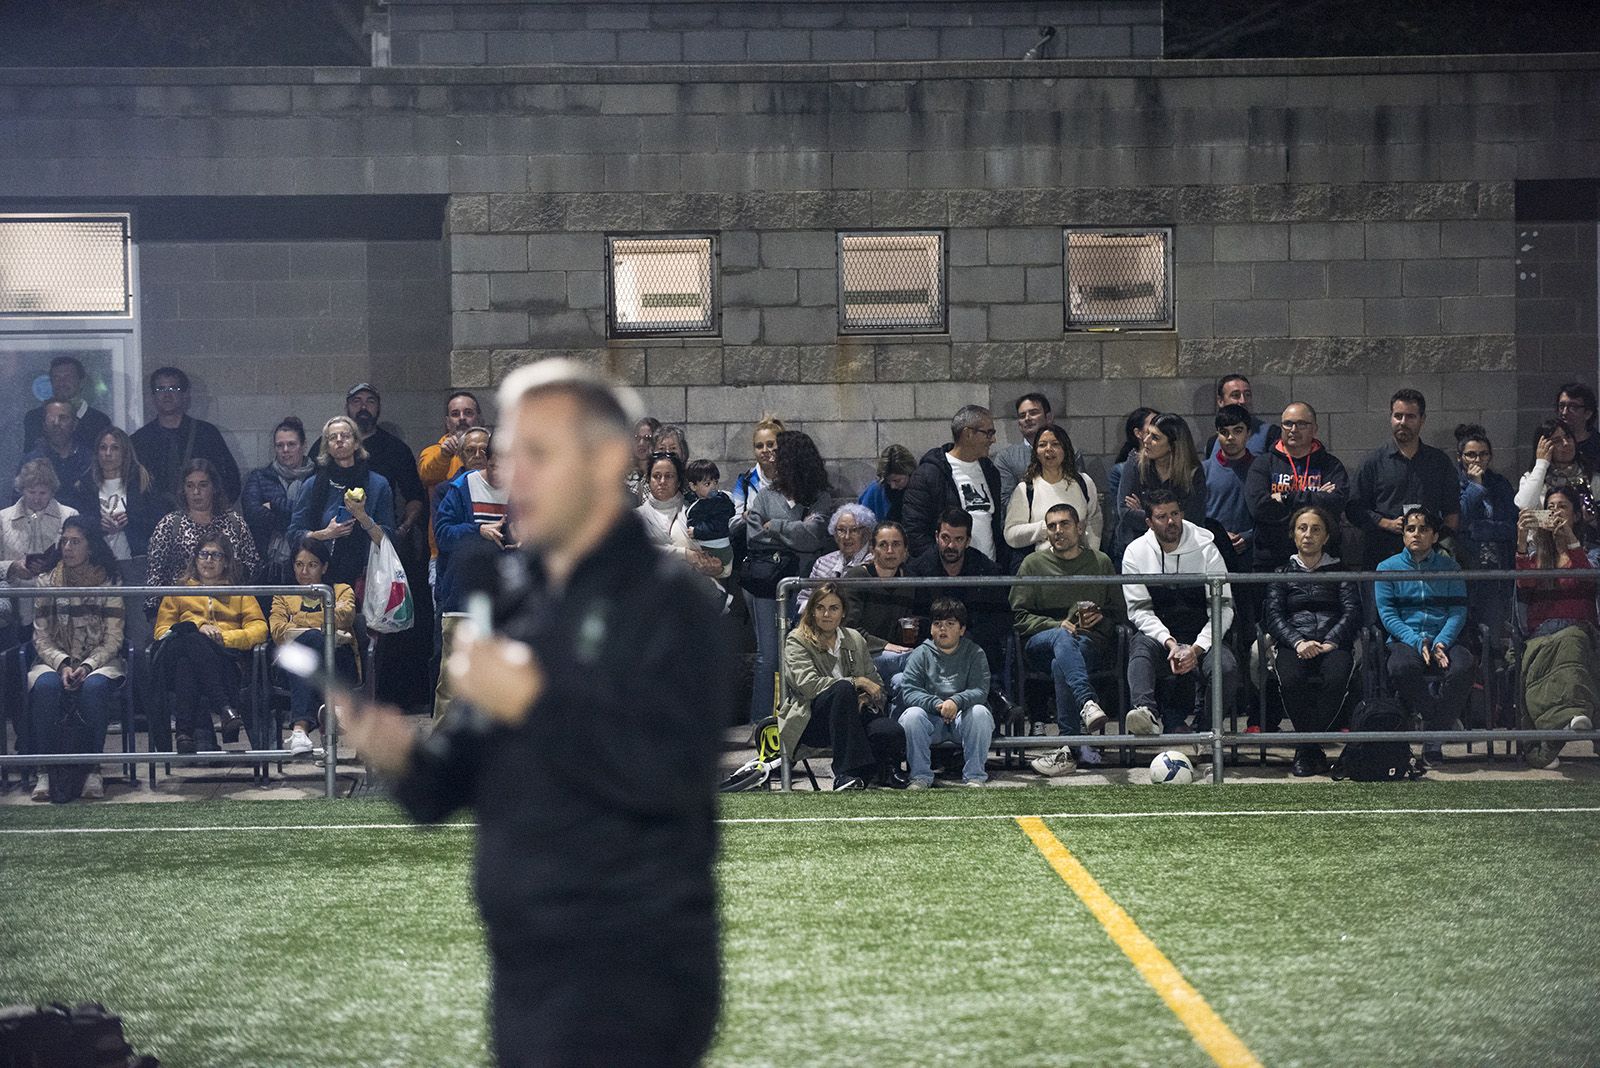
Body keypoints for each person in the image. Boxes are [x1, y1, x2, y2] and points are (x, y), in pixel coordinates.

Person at [337, 359, 733, 1068]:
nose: (515, 475)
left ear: (609, 458)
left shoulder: (671, 602)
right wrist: (398, 752)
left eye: (539, 455)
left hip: (632, 966)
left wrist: (536, 702)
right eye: (512, 453)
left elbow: (667, 775)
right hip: (526, 961)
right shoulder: (519, 595)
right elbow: (447, 784)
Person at [1012, 503, 1121, 777]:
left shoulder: (1101, 562)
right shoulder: (1033, 564)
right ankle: (1087, 702)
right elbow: (1018, 616)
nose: (1058, 531)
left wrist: (1102, 620)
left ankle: (1068, 749)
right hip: (1041, 641)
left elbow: (1120, 614)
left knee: (1063, 662)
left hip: (1088, 642)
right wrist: (1054, 624)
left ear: (1080, 527)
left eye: (1064, 524)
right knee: (1062, 637)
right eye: (1051, 526)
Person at [1121, 488, 1238, 738]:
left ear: (1182, 514)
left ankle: (1207, 729)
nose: (1171, 521)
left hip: (1203, 631)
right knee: (1139, 648)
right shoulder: (1134, 553)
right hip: (1160, 634)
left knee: (1226, 667)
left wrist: (1197, 648)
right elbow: (1139, 611)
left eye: (1175, 514)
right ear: (1149, 522)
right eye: (1162, 517)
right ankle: (1145, 713)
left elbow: (1224, 607)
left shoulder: (1207, 547)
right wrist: (1171, 643)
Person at [26, 517, 124, 802]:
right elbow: (40, 637)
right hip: (54, 659)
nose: (67, 548)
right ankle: (46, 769)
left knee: (93, 689)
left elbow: (114, 638)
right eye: (64, 542)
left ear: (90, 547)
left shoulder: (109, 582)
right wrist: (63, 664)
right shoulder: (46, 582)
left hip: (98, 661)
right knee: (45, 687)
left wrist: (86, 666)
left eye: (75, 542)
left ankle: (92, 768)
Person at [1262, 505, 1361, 777]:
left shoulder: (1341, 570)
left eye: (1316, 529)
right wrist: (1297, 642)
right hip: (1294, 644)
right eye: (1302, 528)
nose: (1308, 535)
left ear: (1326, 536)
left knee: (1337, 677)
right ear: (1293, 535)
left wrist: (1331, 641)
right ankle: (1311, 748)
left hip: (1332, 644)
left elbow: (1352, 611)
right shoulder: (1281, 573)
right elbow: (1273, 615)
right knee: (1291, 681)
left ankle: (1306, 748)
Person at [776, 582, 903, 790]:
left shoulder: (855, 638)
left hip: (853, 715)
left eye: (834, 608)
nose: (827, 614)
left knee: (889, 729)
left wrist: (864, 697)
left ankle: (884, 772)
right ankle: (846, 774)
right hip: (812, 719)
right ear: (812, 611)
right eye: (820, 607)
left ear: (843, 612)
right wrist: (857, 683)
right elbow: (808, 686)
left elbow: (877, 684)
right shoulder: (797, 640)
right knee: (843, 690)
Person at [743, 429, 832, 722]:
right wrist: (795, 531)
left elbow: (814, 537)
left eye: (779, 453)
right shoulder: (766, 496)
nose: (772, 457)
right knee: (768, 655)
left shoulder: (819, 497)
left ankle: (800, 721)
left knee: (801, 654)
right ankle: (760, 723)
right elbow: (754, 535)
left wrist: (777, 527)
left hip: (806, 585)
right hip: (766, 584)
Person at [1374, 506, 1474, 766]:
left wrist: (1441, 641)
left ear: (1435, 536)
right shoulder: (1386, 568)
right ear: (1403, 535)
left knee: (1464, 666)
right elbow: (1387, 615)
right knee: (1401, 666)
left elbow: (1457, 611)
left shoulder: (1450, 567)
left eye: (1423, 529)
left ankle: (1432, 740)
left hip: (1444, 637)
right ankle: (1436, 721)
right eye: (1410, 529)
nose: (1416, 534)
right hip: (1406, 638)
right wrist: (1418, 642)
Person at [152, 535, 268, 753]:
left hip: (224, 660)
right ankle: (225, 708)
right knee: (191, 638)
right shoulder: (179, 591)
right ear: (195, 559)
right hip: (178, 652)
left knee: (186, 666)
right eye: (203, 554)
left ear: (226, 561)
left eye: (216, 555)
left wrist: (224, 639)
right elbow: (160, 631)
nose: (208, 560)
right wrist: (198, 626)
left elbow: (260, 629)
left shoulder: (238, 592)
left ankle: (184, 734)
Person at [1514, 486, 1598, 768]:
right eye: (1550, 506)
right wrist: (1522, 542)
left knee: (1573, 641)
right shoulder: (1538, 553)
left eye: (1562, 506)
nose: (1555, 512)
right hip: (1542, 633)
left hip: (1580, 628)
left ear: (1575, 514)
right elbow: (1524, 585)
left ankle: (1560, 728)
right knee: (1551, 649)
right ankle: (1570, 716)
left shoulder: (1589, 550)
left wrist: (1570, 541)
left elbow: (1588, 581)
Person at [432, 429, 511, 723]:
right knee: (453, 684)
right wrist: (478, 530)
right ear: (485, 460)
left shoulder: (524, 491)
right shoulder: (462, 487)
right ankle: (442, 760)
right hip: (462, 600)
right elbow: (443, 535)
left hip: (506, 602)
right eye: (494, 465)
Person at [1348, 389, 1459, 569]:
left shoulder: (1439, 462)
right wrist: (1386, 523)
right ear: (1390, 418)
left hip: (1430, 563)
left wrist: (1442, 544)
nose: (1403, 422)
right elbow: (1354, 508)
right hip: (1382, 557)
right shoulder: (1373, 462)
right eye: (1398, 416)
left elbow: (1452, 510)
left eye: (1410, 417)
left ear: (1422, 420)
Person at [312, 384, 427, 553]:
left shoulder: (395, 450)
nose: (363, 407)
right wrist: (320, 535)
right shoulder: (321, 448)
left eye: (370, 401)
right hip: (328, 546)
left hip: (377, 543)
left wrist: (401, 530)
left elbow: (415, 495)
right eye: (356, 401)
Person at [270, 537, 358, 757]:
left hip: (339, 659)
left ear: (325, 567)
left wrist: (298, 621)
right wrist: (319, 625)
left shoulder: (340, 590)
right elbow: (277, 630)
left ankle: (300, 729)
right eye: (299, 564)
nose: (304, 571)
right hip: (296, 665)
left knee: (310, 643)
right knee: (311, 642)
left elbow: (344, 615)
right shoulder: (283, 595)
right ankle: (335, 709)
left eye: (312, 565)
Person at [288, 415, 396, 592]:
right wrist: (325, 534)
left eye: (345, 436)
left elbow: (388, 540)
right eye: (332, 437)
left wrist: (362, 517)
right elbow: (293, 534)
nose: (339, 440)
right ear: (327, 447)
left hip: (368, 577)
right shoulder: (311, 485)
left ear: (356, 443)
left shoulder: (378, 484)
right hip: (321, 578)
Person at [898, 597, 994, 788]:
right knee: (911, 716)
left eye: (950, 624)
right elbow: (909, 690)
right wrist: (937, 704)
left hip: (962, 720)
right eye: (937, 624)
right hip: (932, 720)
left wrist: (956, 701)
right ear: (931, 629)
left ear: (962, 629)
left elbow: (980, 690)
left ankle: (975, 776)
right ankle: (920, 777)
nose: (943, 629)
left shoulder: (975, 653)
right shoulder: (920, 653)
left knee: (980, 713)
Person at [905, 508, 1010, 683]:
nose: (951, 546)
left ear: (968, 541)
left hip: (975, 646)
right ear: (936, 536)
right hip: (930, 646)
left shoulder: (987, 570)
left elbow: (1002, 619)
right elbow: (913, 616)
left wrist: (965, 638)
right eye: (946, 538)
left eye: (958, 539)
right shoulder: (917, 569)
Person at [144, 458, 259, 614]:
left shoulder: (234, 522)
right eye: (190, 486)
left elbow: (252, 568)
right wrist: (155, 616)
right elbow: (155, 576)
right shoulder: (169, 525)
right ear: (183, 489)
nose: (196, 492)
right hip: (182, 611)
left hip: (228, 610)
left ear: (214, 488)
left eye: (203, 485)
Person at [1244, 402, 1349, 572]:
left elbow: (1336, 504)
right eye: (1288, 424)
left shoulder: (1331, 465)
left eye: (1301, 424)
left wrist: (1285, 498)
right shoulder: (1263, 464)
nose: (1293, 429)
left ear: (1314, 428)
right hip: (1271, 559)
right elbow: (1259, 508)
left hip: (1322, 561)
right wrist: (1315, 500)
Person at [902, 404, 1005, 565]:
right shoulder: (928, 474)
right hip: (947, 573)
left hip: (987, 571)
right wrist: (943, 566)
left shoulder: (990, 471)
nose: (993, 440)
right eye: (989, 433)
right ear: (968, 433)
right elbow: (915, 531)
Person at [130, 366, 242, 506]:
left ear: (185, 394)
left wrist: (213, 514)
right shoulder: (139, 440)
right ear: (152, 396)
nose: (167, 395)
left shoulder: (207, 434)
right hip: (152, 523)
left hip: (202, 521)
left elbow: (231, 480)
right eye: (161, 389)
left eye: (173, 389)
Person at [1110, 412, 1207, 566]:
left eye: (1155, 437)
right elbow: (1125, 511)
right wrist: (1171, 518)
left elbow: (1192, 519)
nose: (1146, 440)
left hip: (1180, 554)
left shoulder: (1192, 471)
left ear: (1173, 445)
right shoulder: (1135, 462)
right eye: (1147, 434)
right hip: (1136, 549)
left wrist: (1146, 512)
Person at [1455, 423, 1518, 637]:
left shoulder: (1500, 484)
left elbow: (1512, 527)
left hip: (1496, 569)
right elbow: (1459, 521)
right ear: (1460, 457)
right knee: (1464, 633)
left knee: (1494, 634)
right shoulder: (1453, 484)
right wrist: (1475, 487)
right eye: (1471, 455)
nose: (1477, 460)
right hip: (1463, 568)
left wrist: (1480, 528)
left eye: (1483, 454)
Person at [1003, 422, 1101, 557]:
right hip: (1042, 567)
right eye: (1042, 445)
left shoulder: (1084, 482)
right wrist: (1049, 528)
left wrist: (1091, 554)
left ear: (1065, 450)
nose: (1049, 449)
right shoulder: (1026, 489)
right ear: (1036, 453)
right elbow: (1011, 535)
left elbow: (1094, 520)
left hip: (1079, 563)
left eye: (1055, 444)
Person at [3, 459, 80, 628]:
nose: (37, 499)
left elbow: (82, 560)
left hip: (58, 605)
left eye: (43, 493)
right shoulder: (2, 519)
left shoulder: (70, 516)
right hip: (13, 608)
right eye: (31, 492)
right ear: (21, 489)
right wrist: (12, 567)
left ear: (52, 492)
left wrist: (51, 566)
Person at [72, 427, 163, 568]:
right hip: (95, 563)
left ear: (125, 453)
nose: (108, 454)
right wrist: (98, 524)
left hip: (136, 561)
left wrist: (130, 519)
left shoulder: (142, 482)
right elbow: (77, 524)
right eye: (103, 448)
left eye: (115, 448)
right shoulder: (84, 485)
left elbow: (157, 522)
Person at [242, 416, 317, 586]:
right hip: (267, 564)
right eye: (279, 445)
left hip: (310, 561)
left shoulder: (317, 478)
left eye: (291, 444)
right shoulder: (259, 477)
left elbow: (314, 515)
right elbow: (253, 515)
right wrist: (294, 524)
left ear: (303, 445)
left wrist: (274, 505)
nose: (285, 450)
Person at [842, 520, 918, 685]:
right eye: (883, 545)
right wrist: (884, 645)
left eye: (896, 544)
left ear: (905, 550)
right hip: (861, 655)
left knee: (902, 681)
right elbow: (849, 628)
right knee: (916, 661)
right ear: (872, 549)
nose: (890, 551)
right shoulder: (857, 577)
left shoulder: (910, 579)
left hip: (896, 655)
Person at [1513, 418, 1599, 536]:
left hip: (1585, 545)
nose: (1566, 443)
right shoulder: (1531, 478)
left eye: (1568, 437)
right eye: (1557, 441)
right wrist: (1541, 464)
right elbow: (1524, 507)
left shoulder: (1591, 477)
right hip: (1541, 546)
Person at [22, 355, 112, 456]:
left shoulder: (99, 421)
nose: (62, 383)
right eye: (56, 377)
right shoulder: (35, 418)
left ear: (81, 382)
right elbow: (30, 460)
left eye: (68, 377)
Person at [20, 399, 94, 515]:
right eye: (50, 418)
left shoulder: (89, 461)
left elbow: (96, 506)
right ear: (44, 425)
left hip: (82, 528)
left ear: (74, 424)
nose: (56, 423)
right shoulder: (31, 461)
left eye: (63, 418)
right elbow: (20, 505)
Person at [796, 502, 874, 611]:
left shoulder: (873, 562)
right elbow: (803, 599)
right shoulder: (822, 562)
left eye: (854, 530)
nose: (847, 537)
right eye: (841, 530)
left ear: (867, 533)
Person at [1202, 403, 1256, 560]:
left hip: (1251, 553)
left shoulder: (1262, 469)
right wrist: (1217, 535)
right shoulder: (1202, 470)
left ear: (1248, 433)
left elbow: (1269, 514)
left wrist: (1248, 536)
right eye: (1224, 432)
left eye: (1237, 431)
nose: (1230, 438)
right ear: (1217, 434)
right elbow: (1195, 515)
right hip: (1210, 551)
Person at [994, 391, 1053, 510]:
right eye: (1022, 416)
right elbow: (1005, 500)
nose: (1027, 418)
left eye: (1033, 413)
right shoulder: (1006, 457)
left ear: (1048, 418)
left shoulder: (1069, 452)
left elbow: (1077, 493)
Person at [1199, 373, 1277, 458]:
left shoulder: (1271, 434)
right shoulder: (1213, 443)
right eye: (1235, 395)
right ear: (1220, 401)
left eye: (1247, 395)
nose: (1243, 401)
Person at [684, 458, 736, 572]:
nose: (713, 486)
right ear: (693, 486)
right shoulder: (701, 501)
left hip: (717, 549)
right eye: (707, 483)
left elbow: (718, 525)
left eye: (715, 482)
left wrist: (697, 531)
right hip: (708, 547)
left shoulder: (719, 502)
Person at [1104, 406, 1157, 512]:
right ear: (1138, 433)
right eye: (1152, 425)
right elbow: (1123, 511)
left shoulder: (1167, 463)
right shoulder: (1122, 469)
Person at [731, 415, 783, 521]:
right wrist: (748, 516)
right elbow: (733, 523)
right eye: (759, 446)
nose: (765, 450)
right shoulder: (745, 481)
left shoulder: (793, 478)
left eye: (770, 444)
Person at [858, 443, 915, 523]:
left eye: (897, 480)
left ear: (909, 473)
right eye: (888, 481)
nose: (893, 486)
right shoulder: (875, 490)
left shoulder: (920, 490)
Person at [1556, 382, 1600, 469]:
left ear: (1588, 413)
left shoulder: (1597, 446)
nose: (1564, 412)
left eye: (1573, 407)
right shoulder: (1551, 443)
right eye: (1561, 406)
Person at [625, 415, 662, 497]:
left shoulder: (663, 475)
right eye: (636, 438)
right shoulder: (622, 473)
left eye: (647, 438)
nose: (641, 443)